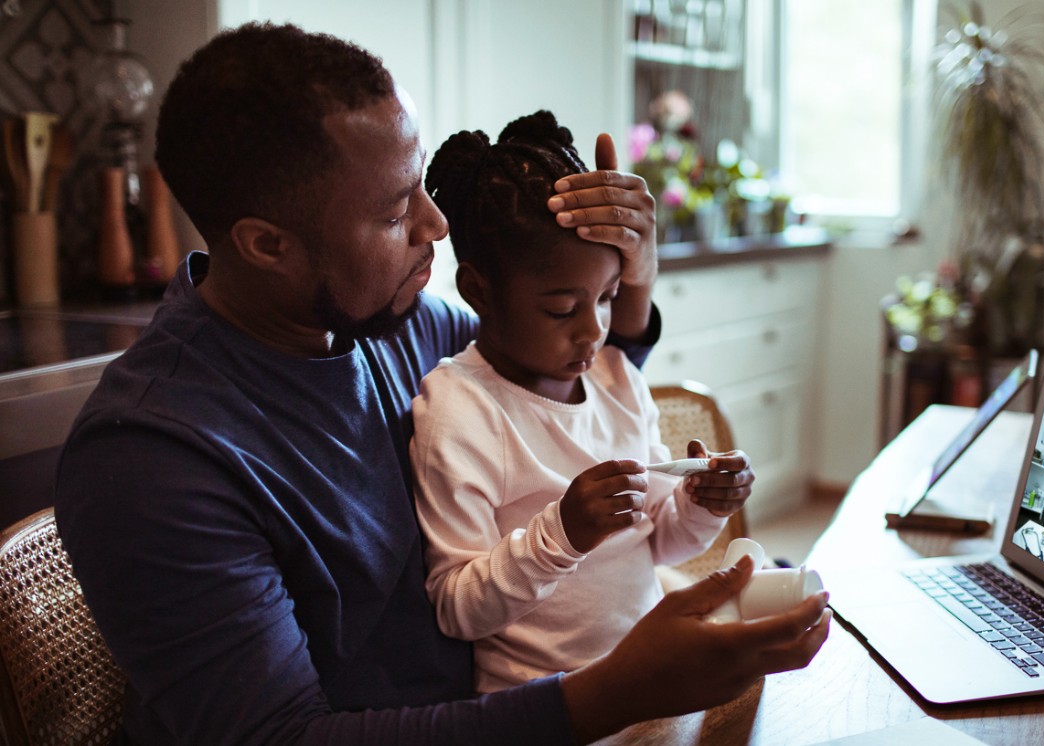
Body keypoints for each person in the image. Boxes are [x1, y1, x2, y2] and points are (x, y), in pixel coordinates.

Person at [53, 23, 829, 745]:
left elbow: (557, 391)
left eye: (421, 184)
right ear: (267, 244)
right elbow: (281, 737)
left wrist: (632, 277)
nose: (435, 224)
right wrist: (611, 693)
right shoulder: (152, 458)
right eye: (396, 212)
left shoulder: (401, 324)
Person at [413, 111, 751, 693]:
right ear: (478, 291)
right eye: (562, 309)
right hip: (547, 707)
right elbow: (457, 609)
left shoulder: (617, 378)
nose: (594, 331)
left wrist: (702, 505)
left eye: (607, 298)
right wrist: (562, 534)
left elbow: (660, 545)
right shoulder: (460, 410)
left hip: (650, 678)